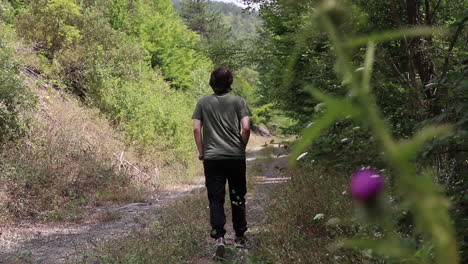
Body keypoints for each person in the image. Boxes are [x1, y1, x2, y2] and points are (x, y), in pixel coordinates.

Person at [192, 67, 251, 260]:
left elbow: (196, 129)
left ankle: (219, 238)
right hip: (235, 157)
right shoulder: (239, 101)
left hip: (213, 158)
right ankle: (240, 236)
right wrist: (241, 147)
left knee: (215, 198)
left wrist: (202, 152)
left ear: (212, 81)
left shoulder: (203, 102)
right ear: (230, 82)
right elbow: (246, 127)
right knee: (237, 196)